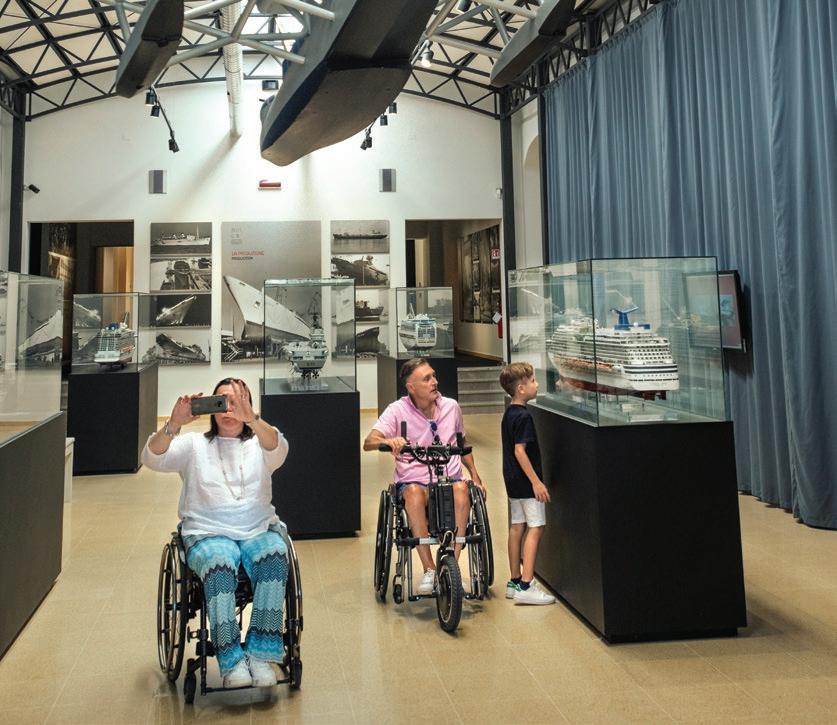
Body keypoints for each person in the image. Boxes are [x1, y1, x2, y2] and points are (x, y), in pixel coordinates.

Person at [141, 378, 291, 688]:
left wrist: (254, 420)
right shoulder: (194, 445)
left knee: (275, 556)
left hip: (257, 528)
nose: (228, 409)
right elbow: (151, 458)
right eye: (222, 401)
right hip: (206, 532)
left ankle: (261, 654)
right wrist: (173, 424)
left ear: (249, 404)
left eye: (237, 401)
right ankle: (231, 659)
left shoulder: (260, 443)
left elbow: (279, 447)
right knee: (219, 564)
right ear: (211, 406)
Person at [364, 358, 485, 595]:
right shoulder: (397, 410)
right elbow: (369, 442)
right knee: (413, 493)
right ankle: (429, 569)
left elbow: (462, 445)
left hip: (449, 478)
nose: (434, 382)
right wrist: (389, 440)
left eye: (434, 376)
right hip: (414, 480)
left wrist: (476, 476)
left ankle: (451, 568)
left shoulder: (451, 407)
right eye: (427, 379)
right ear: (411, 387)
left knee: (462, 489)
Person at [499, 362, 556, 605]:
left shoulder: (509, 413)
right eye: (533, 381)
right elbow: (520, 451)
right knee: (536, 527)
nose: (537, 384)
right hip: (526, 483)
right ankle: (526, 584)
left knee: (517, 527)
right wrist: (536, 482)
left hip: (512, 481)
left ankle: (514, 580)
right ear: (521, 388)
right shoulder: (524, 416)